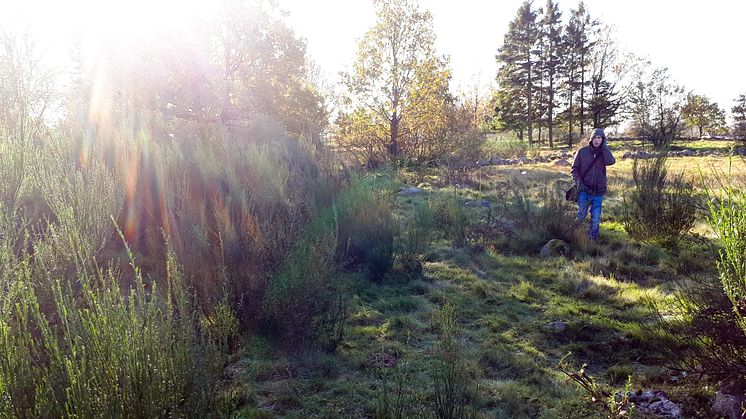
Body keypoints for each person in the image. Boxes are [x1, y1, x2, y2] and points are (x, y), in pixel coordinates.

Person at [571, 128, 616, 241]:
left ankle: (592, 241)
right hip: (584, 190)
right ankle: (575, 238)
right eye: (595, 138)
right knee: (581, 216)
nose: (597, 140)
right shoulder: (582, 152)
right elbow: (574, 169)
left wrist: (604, 147)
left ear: (603, 139)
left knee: (595, 219)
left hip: (598, 192)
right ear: (591, 139)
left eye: (599, 138)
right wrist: (579, 183)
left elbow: (611, 161)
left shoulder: (604, 153)